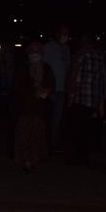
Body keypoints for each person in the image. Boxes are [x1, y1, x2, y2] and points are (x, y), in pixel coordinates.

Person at [12, 40, 55, 172]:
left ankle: (34, 159)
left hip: (40, 109)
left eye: (37, 51)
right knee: (24, 134)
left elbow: (52, 85)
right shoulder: (23, 68)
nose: (34, 54)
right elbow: (18, 87)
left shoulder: (46, 68)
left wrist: (46, 91)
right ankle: (25, 160)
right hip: (25, 108)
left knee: (37, 135)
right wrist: (33, 91)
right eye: (32, 51)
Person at [67, 35, 106, 165]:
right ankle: (83, 155)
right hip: (93, 98)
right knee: (86, 128)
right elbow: (102, 80)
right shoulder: (99, 57)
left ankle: (76, 155)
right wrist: (101, 101)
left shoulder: (82, 55)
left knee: (76, 128)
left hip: (80, 97)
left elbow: (75, 76)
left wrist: (70, 95)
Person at [42, 24, 71, 154]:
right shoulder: (48, 48)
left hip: (61, 90)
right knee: (47, 117)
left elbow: (68, 69)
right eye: (63, 33)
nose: (65, 36)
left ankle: (52, 144)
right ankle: (45, 143)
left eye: (67, 33)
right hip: (50, 89)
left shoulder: (66, 49)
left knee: (57, 119)